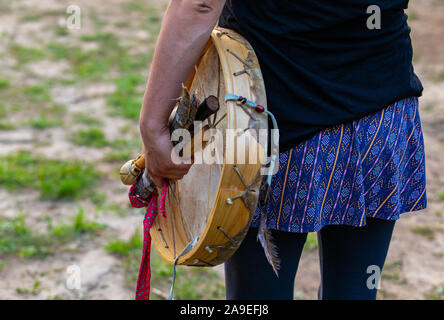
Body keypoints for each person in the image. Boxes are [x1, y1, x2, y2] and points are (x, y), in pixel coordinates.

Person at [139, 0, 427, 300]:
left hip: (271, 128)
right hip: (381, 119)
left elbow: (198, 4)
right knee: (354, 290)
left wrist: (152, 124)